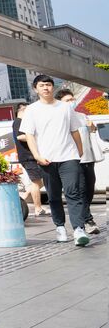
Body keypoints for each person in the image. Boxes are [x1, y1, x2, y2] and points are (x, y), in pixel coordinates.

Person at [20, 75, 89, 246]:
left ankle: (79, 229)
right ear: (36, 89)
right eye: (42, 85)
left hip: (69, 156)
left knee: (73, 192)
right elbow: (29, 135)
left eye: (49, 85)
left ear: (53, 87)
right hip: (46, 159)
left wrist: (79, 151)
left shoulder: (65, 107)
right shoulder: (32, 110)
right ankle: (60, 227)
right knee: (54, 196)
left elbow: (74, 130)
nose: (46, 88)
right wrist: (37, 156)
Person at [55, 88, 101, 235]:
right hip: (72, 160)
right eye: (67, 100)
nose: (71, 102)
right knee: (79, 191)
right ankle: (87, 220)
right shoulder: (60, 118)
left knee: (89, 190)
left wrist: (92, 128)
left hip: (88, 158)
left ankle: (85, 218)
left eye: (72, 99)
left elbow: (91, 132)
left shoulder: (82, 116)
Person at [12, 102, 47, 217]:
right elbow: (20, 136)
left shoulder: (23, 122)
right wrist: (34, 136)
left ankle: (23, 197)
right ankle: (38, 208)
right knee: (36, 182)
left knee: (40, 182)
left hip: (30, 157)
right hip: (28, 157)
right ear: (22, 110)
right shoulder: (18, 122)